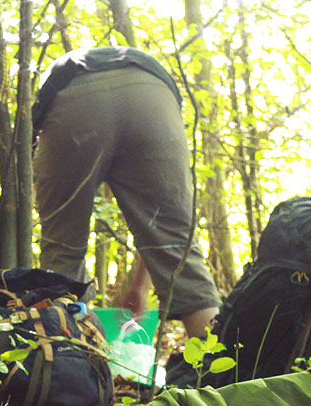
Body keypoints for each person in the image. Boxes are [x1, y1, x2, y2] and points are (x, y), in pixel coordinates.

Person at [32, 45, 220, 340]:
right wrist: (138, 286)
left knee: (62, 255)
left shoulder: (60, 74)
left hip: (73, 95)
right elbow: (158, 227)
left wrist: (138, 287)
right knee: (178, 250)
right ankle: (222, 369)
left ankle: (69, 363)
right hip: (153, 94)